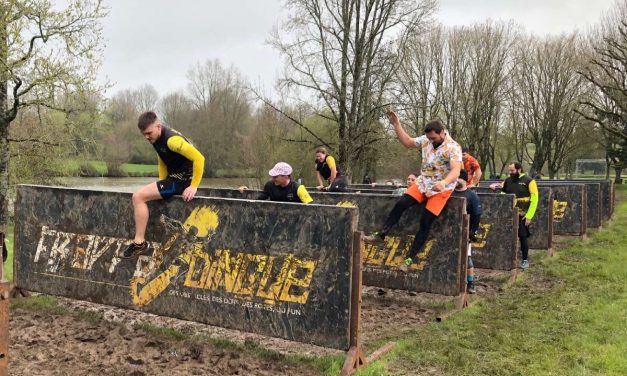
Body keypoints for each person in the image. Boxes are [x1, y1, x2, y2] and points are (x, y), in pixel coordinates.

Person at [365, 111, 462, 271]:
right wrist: (396, 124)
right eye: (429, 138)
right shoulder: (426, 140)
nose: (431, 141)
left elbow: (456, 171)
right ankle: (381, 234)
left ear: (442, 133)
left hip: (441, 188)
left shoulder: (453, 148)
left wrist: (444, 182)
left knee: (425, 221)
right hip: (424, 182)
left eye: (434, 138)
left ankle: (409, 259)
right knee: (402, 203)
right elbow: (408, 142)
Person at [123, 111, 205, 258]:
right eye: (144, 134)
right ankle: (139, 243)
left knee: (138, 197)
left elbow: (199, 158)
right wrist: (162, 182)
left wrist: (193, 186)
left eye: (149, 133)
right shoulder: (157, 139)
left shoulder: (172, 141)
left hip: (182, 181)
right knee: (141, 196)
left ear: (158, 126)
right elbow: (163, 160)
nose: (146, 137)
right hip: (173, 179)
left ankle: (139, 244)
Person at [489, 161, 538, 269]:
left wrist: (529, 215)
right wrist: (495, 189)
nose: (510, 173)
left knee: (523, 236)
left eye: (512, 170)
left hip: (523, 214)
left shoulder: (529, 181)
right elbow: (503, 194)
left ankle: (525, 259)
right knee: (505, 235)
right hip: (509, 213)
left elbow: (534, 199)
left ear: (519, 169)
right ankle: (506, 257)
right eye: (509, 170)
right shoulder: (508, 180)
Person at [452, 170, 482, 294]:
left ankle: (470, 283)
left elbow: (477, 215)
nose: (455, 181)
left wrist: (472, 232)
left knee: (467, 258)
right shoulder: (449, 193)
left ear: (464, 180)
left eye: (457, 178)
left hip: (465, 231)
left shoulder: (472, 196)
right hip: (450, 230)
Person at [239, 162, 313, 203]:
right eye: (272, 176)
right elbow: (258, 199)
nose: (273, 179)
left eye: (276, 177)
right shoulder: (269, 185)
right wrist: (247, 192)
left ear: (286, 177)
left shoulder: (298, 188)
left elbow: (311, 207)